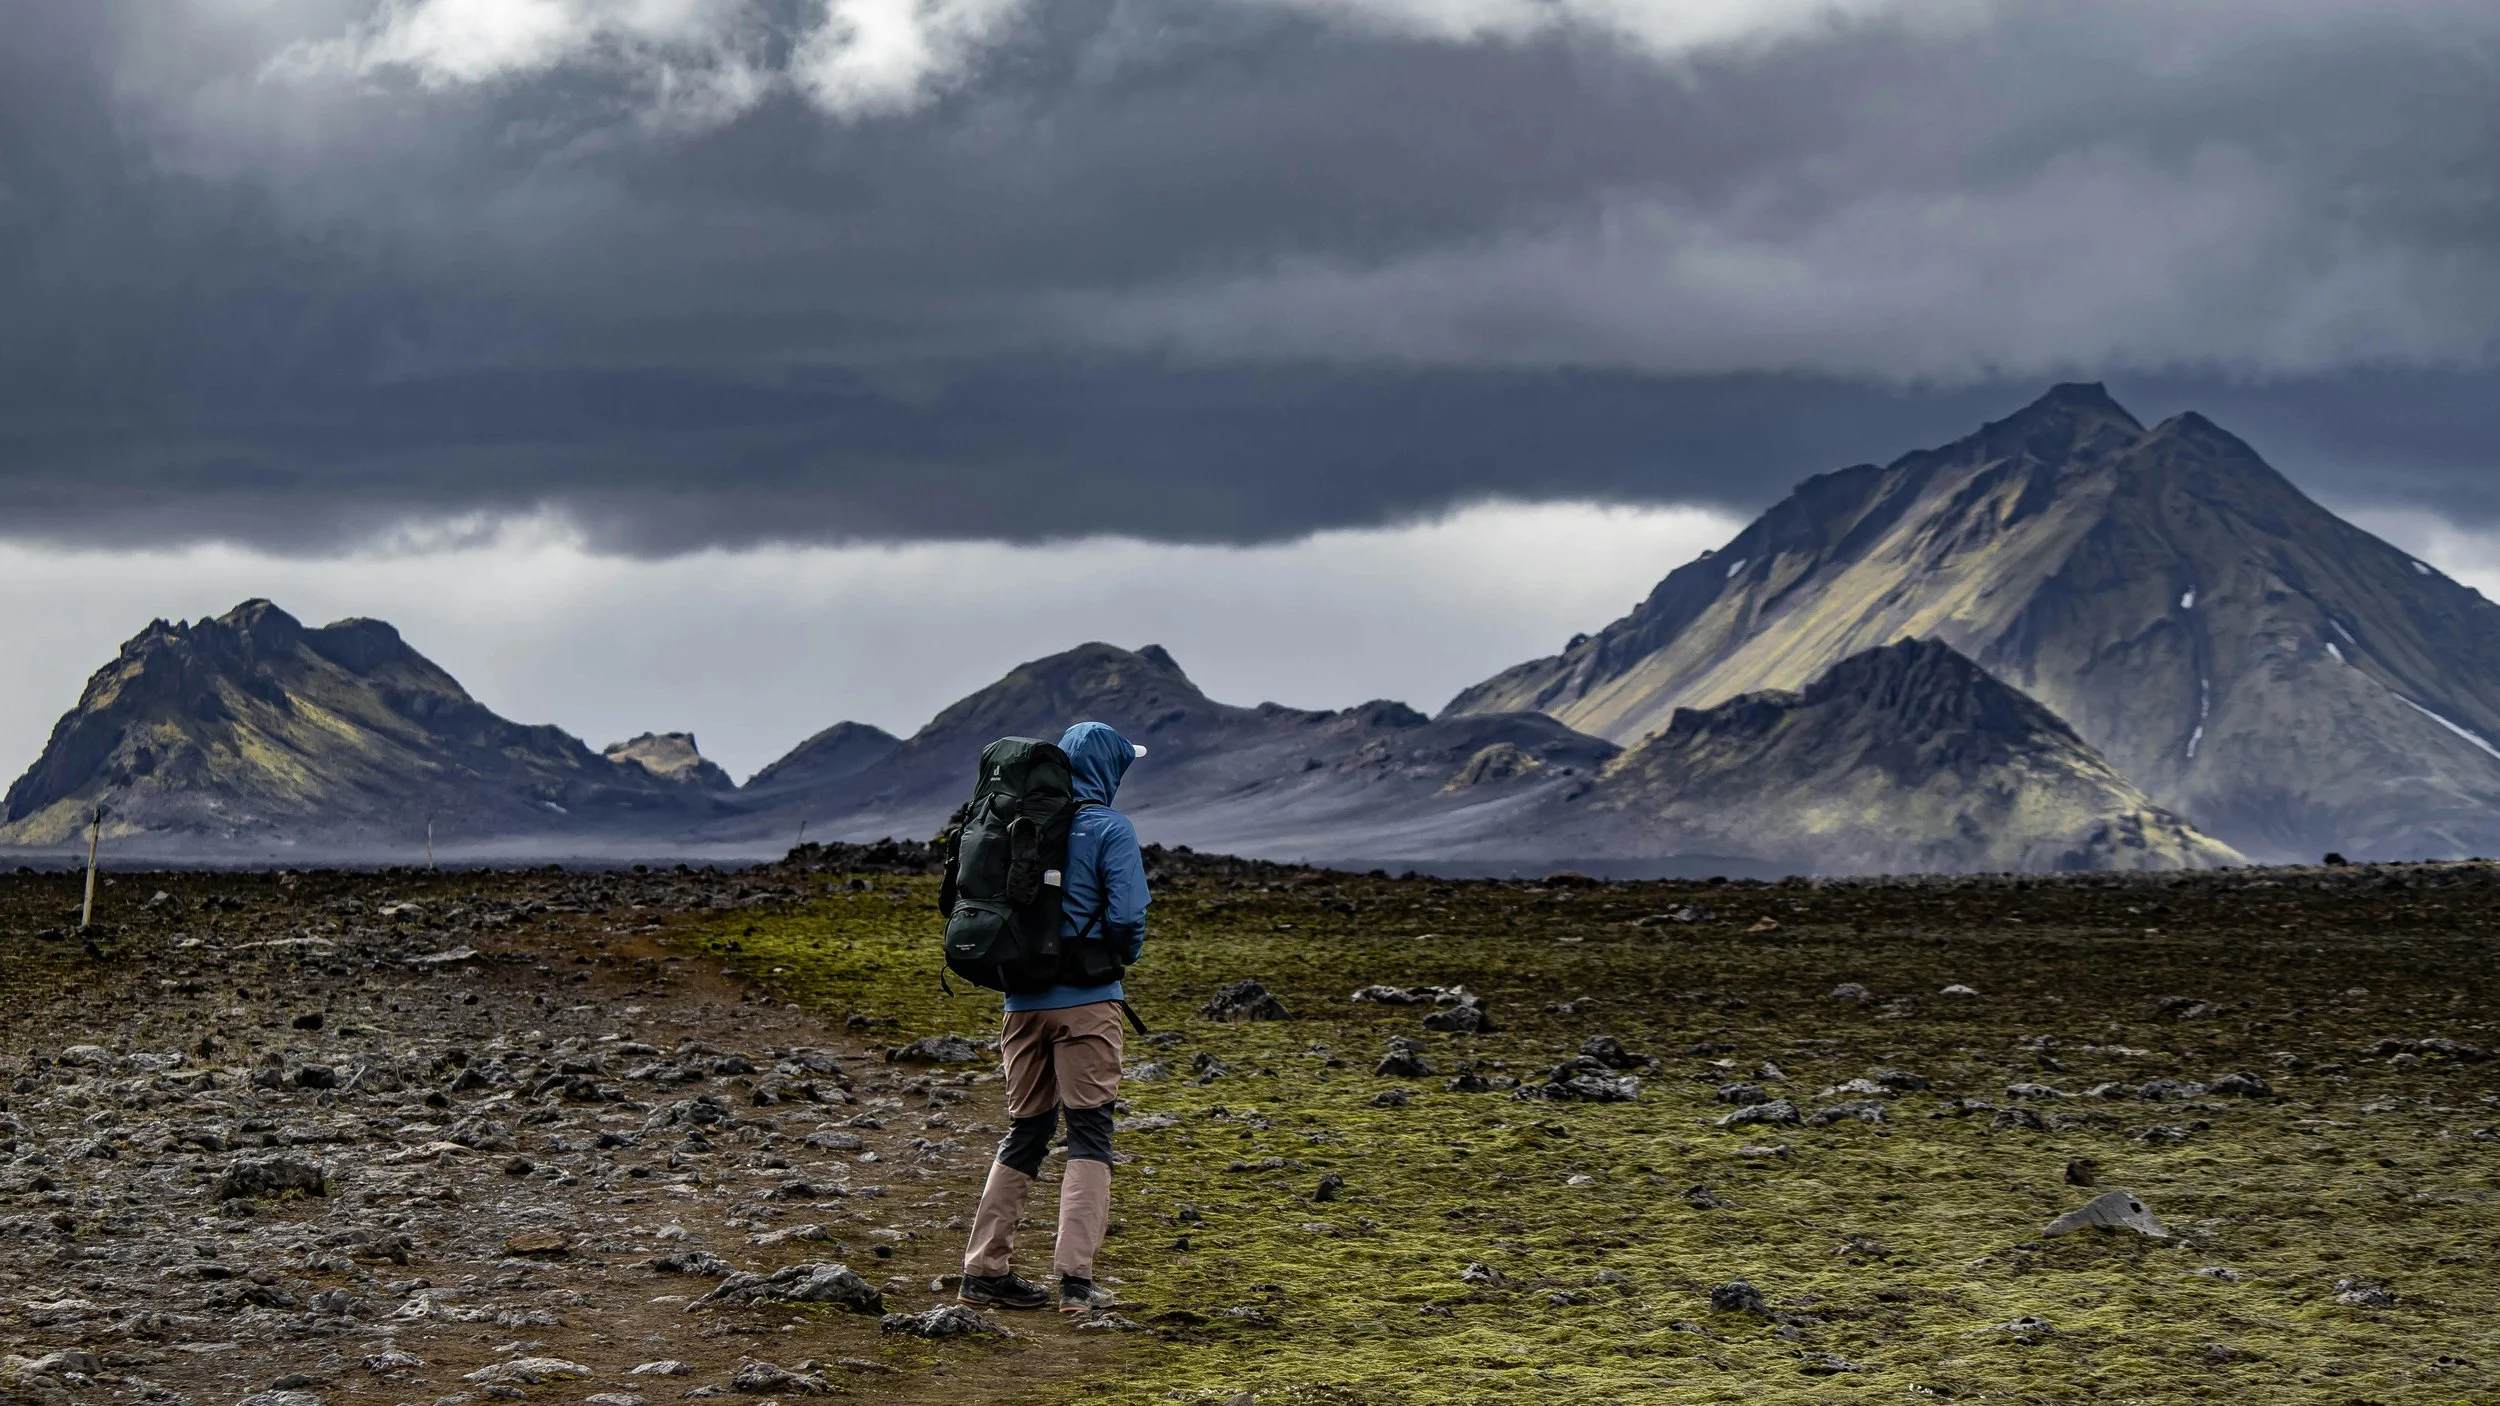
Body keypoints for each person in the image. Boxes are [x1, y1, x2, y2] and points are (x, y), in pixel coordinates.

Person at [958, 720, 1150, 1313]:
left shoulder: (1023, 824)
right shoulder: (1109, 828)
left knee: (1027, 1129)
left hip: (1021, 1003)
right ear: (1109, 769)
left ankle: (984, 1270)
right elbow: (1127, 919)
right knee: (1090, 1132)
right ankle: (1075, 1283)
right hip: (1088, 1003)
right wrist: (1114, 961)